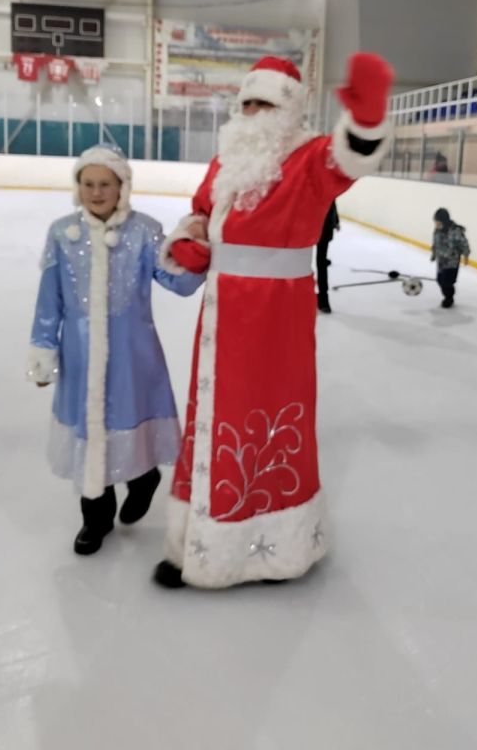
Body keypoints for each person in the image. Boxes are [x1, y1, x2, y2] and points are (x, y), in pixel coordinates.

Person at [153, 52, 394, 589]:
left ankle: (273, 551)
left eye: (267, 104)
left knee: (263, 420)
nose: (255, 112)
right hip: (220, 313)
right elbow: (199, 209)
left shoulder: (309, 159)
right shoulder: (226, 161)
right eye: (248, 103)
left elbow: (347, 162)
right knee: (212, 418)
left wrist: (367, 121)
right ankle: (196, 546)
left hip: (274, 320)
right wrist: (191, 239)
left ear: (289, 112)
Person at [27, 145, 204, 555]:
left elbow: (175, 280)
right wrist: (42, 350)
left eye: (105, 184)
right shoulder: (61, 233)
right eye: (88, 184)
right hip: (80, 355)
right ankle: (96, 517)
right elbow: (48, 300)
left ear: (121, 186)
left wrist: (196, 253)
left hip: (133, 355)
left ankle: (144, 480)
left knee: (128, 419)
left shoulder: (144, 230)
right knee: (90, 432)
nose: (96, 191)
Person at [431, 208, 470, 308]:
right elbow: (435, 242)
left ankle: (449, 298)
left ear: (444, 221)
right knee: (439, 280)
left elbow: (464, 244)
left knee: (447, 282)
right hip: (441, 261)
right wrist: (434, 254)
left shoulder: (455, 231)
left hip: (452, 262)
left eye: (438, 222)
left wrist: (466, 256)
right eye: (435, 222)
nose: (436, 224)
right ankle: (447, 293)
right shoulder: (437, 230)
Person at [316, 201, 340, 314]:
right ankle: (324, 301)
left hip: (317, 227)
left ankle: (323, 300)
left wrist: (335, 220)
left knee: (320, 263)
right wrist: (335, 220)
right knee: (321, 263)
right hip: (324, 227)